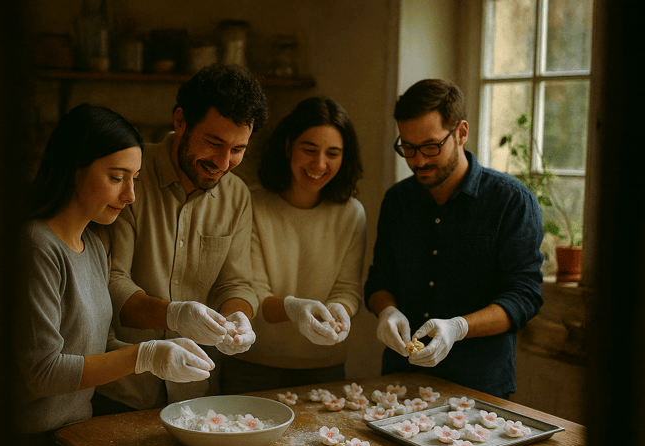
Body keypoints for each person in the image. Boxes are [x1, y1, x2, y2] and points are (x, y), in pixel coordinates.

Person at [14, 104, 214, 446]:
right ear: (74, 168)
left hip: (74, 436)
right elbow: (42, 372)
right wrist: (144, 355)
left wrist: (167, 352)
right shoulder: (36, 245)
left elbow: (98, 345)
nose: (130, 195)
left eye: (135, 179)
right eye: (116, 178)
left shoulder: (94, 248)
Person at [92, 64, 269, 411]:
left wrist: (240, 318)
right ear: (180, 121)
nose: (223, 162)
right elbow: (109, 283)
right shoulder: (129, 178)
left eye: (238, 149)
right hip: (120, 389)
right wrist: (173, 315)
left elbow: (236, 283)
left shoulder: (237, 195)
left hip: (194, 393)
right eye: (214, 143)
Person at [363, 78, 544, 399]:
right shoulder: (397, 200)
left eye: (431, 146)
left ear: (461, 132)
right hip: (400, 380)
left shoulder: (511, 201)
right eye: (408, 147)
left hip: (480, 384)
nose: (418, 160)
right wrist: (387, 311)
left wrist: (458, 327)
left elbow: (523, 296)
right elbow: (380, 279)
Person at [220, 97, 366, 394]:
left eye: (333, 153)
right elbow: (253, 295)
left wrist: (339, 310)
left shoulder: (352, 213)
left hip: (326, 367)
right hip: (253, 366)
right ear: (288, 147)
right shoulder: (252, 205)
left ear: (345, 158)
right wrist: (295, 309)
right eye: (309, 149)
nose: (319, 164)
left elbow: (348, 289)